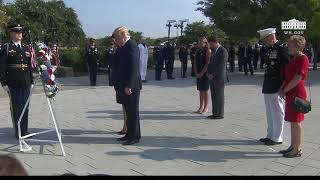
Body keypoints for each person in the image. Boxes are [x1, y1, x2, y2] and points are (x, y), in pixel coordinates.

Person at [0, 24, 34, 139]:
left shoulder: (25, 47)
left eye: (20, 32)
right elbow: (2, 66)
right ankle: (18, 131)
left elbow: (29, 65)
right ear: (11, 33)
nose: (19, 34)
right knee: (16, 107)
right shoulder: (7, 47)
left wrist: (32, 80)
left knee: (25, 107)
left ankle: (24, 131)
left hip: (26, 81)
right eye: (16, 32)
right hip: (13, 82)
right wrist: (3, 82)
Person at [257, 28, 289, 146]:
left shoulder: (281, 49)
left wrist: (284, 86)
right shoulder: (271, 49)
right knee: (270, 112)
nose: (264, 42)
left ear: (271, 37)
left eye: (265, 39)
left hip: (277, 86)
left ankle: (277, 137)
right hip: (269, 84)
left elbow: (287, 68)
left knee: (277, 112)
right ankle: (270, 135)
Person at [279, 35, 309, 158]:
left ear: (298, 46)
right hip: (291, 92)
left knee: (296, 122)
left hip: (297, 93)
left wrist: (285, 89)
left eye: (290, 46)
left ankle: (296, 149)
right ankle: (293, 146)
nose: (288, 48)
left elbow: (298, 77)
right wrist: (282, 88)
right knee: (292, 121)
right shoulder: (294, 58)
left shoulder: (303, 59)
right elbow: (288, 76)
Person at [112, 27, 142, 146]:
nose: (115, 40)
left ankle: (135, 137)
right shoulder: (123, 46)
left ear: (123, 35)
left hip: (131, 85)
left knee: (133, 112)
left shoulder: (131, 46)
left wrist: (129, 85)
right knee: (128, 111)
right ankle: (129, 134)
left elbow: (134, 68)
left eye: (117, 38)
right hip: (124, 85)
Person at [207, 37, 228, 120]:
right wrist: (208, 73)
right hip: (212, 77)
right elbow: (210, 63)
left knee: (219, 96)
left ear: (216, 42)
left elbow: (221, 66)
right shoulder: (213, 51)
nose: (211, 46)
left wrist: (213, 74)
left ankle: (220, 114)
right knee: (214, 96)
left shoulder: (223, 51)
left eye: (211, 44)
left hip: (219, 77)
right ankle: (215, 113)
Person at [194, 38, 211, 114]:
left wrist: (202, 73)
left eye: (201, 43)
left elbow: (207, 63)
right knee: (200, 90)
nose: (200, 44)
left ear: (205, 43)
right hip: (198, 73)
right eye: (199, 42)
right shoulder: (198, 51)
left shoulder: (208, 51)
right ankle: (201, 106)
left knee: (205, 90)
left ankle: (206, 107)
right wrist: (196, 72)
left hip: (205, 73)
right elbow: (194, 62)